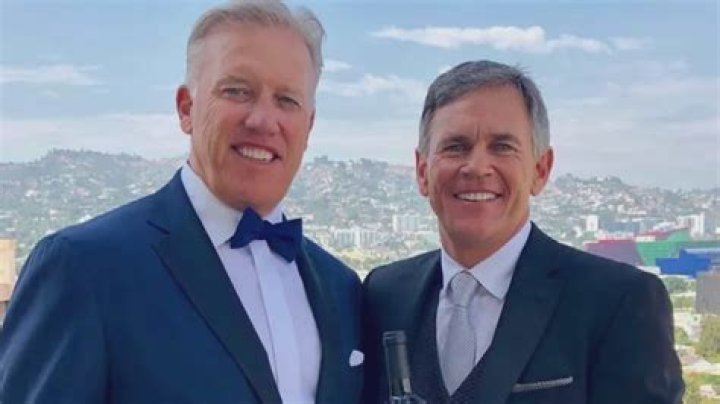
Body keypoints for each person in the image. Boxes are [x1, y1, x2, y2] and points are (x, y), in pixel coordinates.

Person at [0, 1, 363, 403]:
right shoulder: (84, 267)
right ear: (186, 108)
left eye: (287, 100)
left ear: (308, 126)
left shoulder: (341, 287)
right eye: (237, 91)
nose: (262, 120)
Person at [362, 60, 683, 404]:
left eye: (502, 146)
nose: (477, 167)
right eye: (455, 146)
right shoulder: (384, 294)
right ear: (422, 172)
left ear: (540, 170)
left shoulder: (618, 301)